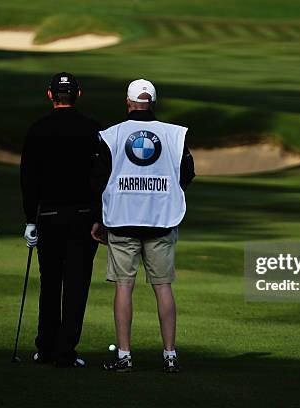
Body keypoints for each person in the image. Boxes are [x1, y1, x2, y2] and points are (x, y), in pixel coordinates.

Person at [92, 79, 195, 373]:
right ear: (153, 102)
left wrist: (98, 219)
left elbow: (98, 180)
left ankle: (124, 355)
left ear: (128, 103)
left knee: (124, 287)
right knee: (163, 287)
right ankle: (170, 355)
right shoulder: (174, 135)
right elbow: (187, 173)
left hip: (121, 221)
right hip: (161, 220)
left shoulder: (111, 135)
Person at [20, 72, 102, 367]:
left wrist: (31, 219)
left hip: (49, 216)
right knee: (77, 284)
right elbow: (101, 176)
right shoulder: (93, 128)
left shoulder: (38, 129)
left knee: (50, 282)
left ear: (50, 95)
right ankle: (66, 352)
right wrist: (99, 216)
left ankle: (45, 348)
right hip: (83, 217)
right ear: (78, 95)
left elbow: (28, 178)